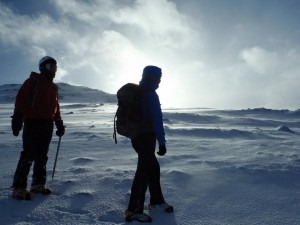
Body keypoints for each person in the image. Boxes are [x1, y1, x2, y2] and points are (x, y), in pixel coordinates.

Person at [11, 56, 65, 200]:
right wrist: (17, 118)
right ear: (42, 67)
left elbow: (55, 108)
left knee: (42, 155)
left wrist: (59, 122)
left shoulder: (53, 87)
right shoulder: (32, 82)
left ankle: (38, 184)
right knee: (28, 154)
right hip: (32, 122)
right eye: (50, 67)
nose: (52, 70)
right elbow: (21, 100)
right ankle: (19, 187)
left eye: (54, 67)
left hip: (47, 125)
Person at [125, 65, 173, 222]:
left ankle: (156, 201)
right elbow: (157, 120)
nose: (160, 80)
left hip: (137, 137)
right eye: (159, 77)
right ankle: (133, 210)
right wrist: (162, 142)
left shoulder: (138, 91)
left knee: (152, 167)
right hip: (146, 137)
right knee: (143, 172)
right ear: (155, 78)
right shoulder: (151, 94)